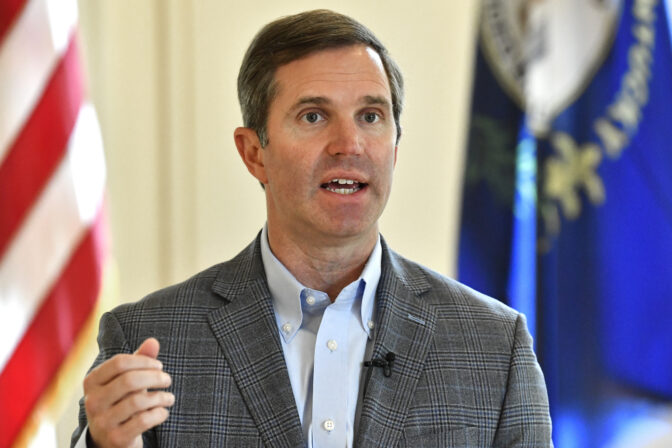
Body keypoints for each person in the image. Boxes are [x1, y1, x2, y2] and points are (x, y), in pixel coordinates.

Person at [72, 9, 552, 448]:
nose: (350, 144)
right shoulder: (147, 340)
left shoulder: (494, 346)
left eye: (371, 116)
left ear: (395, 148)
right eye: (314, 116)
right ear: (253, 153)